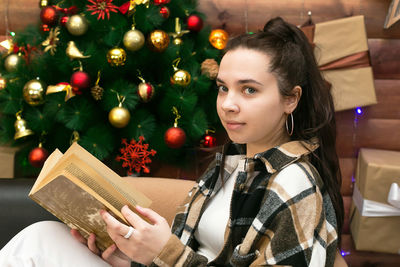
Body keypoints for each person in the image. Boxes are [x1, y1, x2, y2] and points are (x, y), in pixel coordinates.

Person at [0, 17, 346, 267]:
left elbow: (176, 255)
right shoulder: (230, 165)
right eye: (223, 87)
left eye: (249, 89)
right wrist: (131, 258)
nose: (228, 103)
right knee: (42, 235)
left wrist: (162, 252)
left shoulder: (293, 186)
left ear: (291, 99)